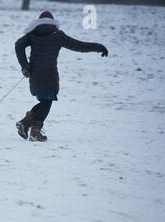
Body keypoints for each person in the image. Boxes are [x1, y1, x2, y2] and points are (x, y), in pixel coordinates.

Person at [15, 11, 108, 141]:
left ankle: (25, 123)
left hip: (35, 74)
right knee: (46, 103)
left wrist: (24, 65)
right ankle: (34, 131)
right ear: (53, 22)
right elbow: (79, 46)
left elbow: (18, 45)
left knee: (45, 102)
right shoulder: (58, 35)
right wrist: (98, 47)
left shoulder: (33, 34)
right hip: (49, 74)